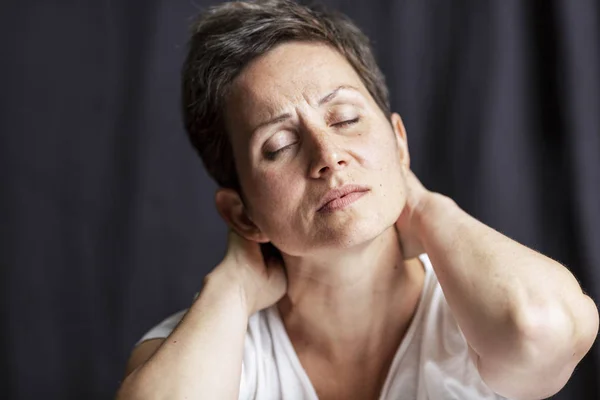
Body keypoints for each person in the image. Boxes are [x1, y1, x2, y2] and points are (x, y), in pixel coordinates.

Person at [115, 1, 599, 399]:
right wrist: (233, 286)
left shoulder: (480, 311)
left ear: (398, 141)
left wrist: (428, 208)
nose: (328, 156)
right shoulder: (206, 350)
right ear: (241, 212)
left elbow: (541, 330)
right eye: (279, 146)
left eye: (345, 118)